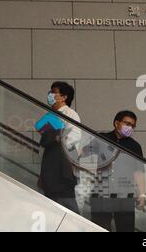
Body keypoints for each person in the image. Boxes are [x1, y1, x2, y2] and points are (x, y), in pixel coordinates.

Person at [90, 110, 146, 232]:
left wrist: (142, 193)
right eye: (127, 123)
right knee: (98, 227)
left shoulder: (135, 146)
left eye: (132, 125)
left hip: (125, 194)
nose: (129, 127)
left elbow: (139, 171)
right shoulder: (102, 138)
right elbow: (84, 153)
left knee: (125, 228)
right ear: (117, 123)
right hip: (101, 192)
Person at [38, 82, 81, 214]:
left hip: (62, 166)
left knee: (67, 206)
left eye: (53, 92)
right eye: (49, 92)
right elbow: (44, 137)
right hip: (50, 165)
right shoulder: (50, 115)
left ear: (64, 97)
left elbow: (74, 136)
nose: (49, 95)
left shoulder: (69, 113)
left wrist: (58, 138)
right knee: (52, 208)